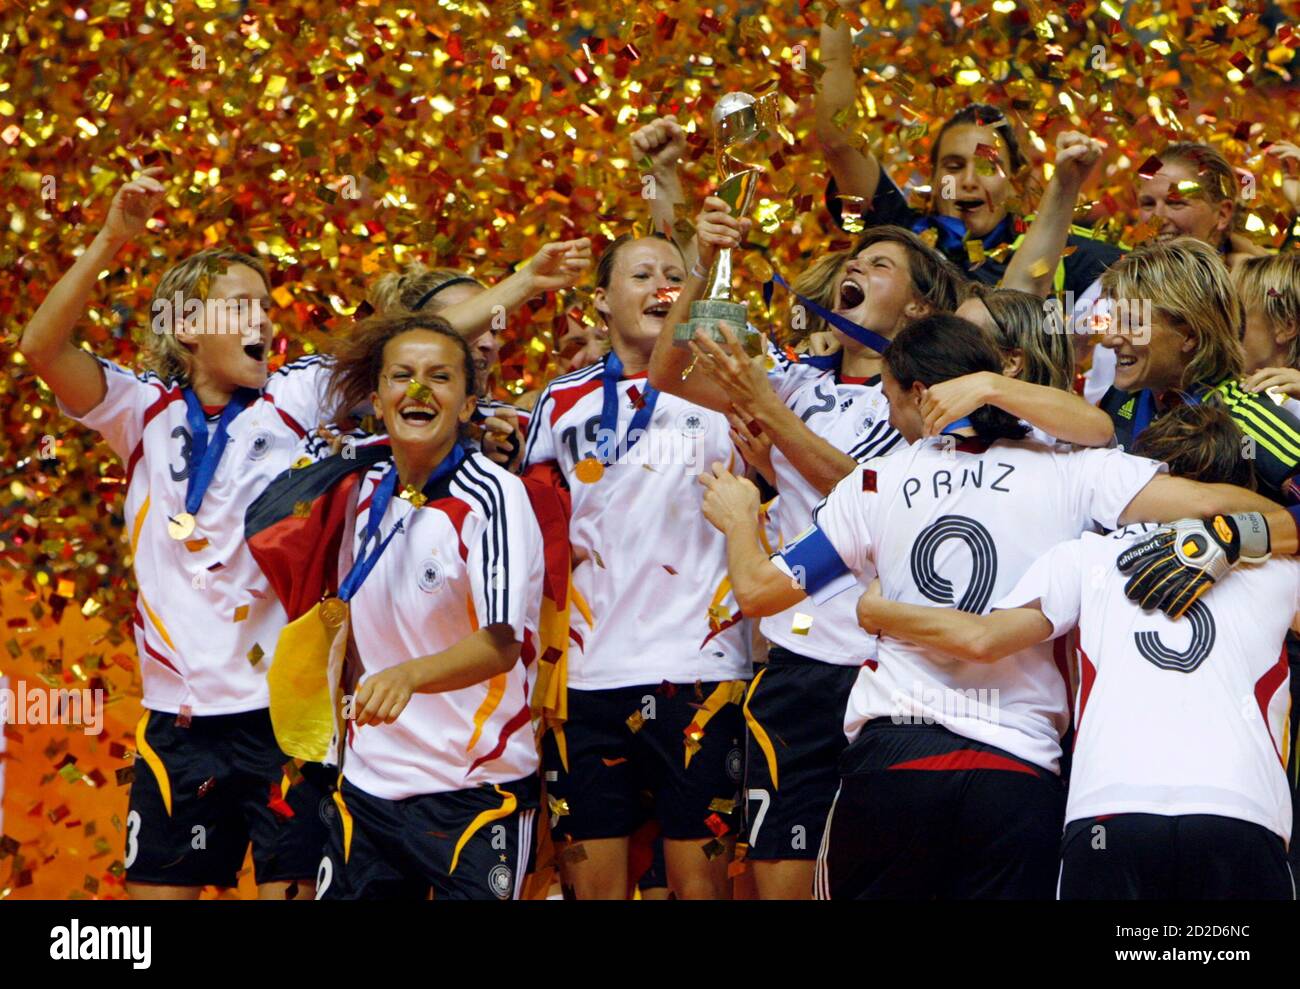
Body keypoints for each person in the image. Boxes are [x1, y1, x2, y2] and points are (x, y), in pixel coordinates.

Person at [695, 313, 1279, 899]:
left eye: (891, 397)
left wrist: (742, 519)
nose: (890, 416)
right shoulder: (1073, 470)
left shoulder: (875, 484)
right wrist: (1220, 544)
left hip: (894, 763)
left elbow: (758, 593)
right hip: (1017, 770)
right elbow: (1234, 509)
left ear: (921, 395)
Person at [19, 168, 341, 900]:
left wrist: (515, 286)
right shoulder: (141, 412)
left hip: (284, 721)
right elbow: (41, 346)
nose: (261, 319)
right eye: (238, 307)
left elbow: (410, 356)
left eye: (265, 305)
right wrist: (111, 239)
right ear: (187, 328)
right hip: (181, 723)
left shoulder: (295, 397)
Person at [857, 403, 1297, 900]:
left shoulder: (1088, 556)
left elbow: (981, 640)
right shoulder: (1281, 571)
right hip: (1241, 811)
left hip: (1107, 813)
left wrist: (879, 613)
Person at [249, 311, 545, 899]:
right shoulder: (357, 489)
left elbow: (501, 644)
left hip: (475, 788)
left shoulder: (494, 497)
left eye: (439, 377)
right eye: (401, 376)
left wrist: (408, 676)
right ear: (379, 399)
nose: (417, 389)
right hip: (369, 783)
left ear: (466, 405)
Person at [523, 233, 750, 900]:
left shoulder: (724, 390)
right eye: (642, 274)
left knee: (698, 890)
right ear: (600, 301)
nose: (661, 287)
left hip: (701, 673)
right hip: (588, 679)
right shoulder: (558, 401)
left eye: (676, 276)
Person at [814, 2, 1120, 296]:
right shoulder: (901, 233)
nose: (969, 181)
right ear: (932, 181)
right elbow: (839, 141)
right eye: (953, 166)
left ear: (1018, 184)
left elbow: (1155, 276)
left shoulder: (1061, 251)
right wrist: (835, 12)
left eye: (988, 166)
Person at [1097, 238, 1300, 504]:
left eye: (1134, 323)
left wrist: (1247, 534)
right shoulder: (1118, 401)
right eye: (1114, 321)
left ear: (1189, 335)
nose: (1108, 339)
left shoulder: (1250, 421)